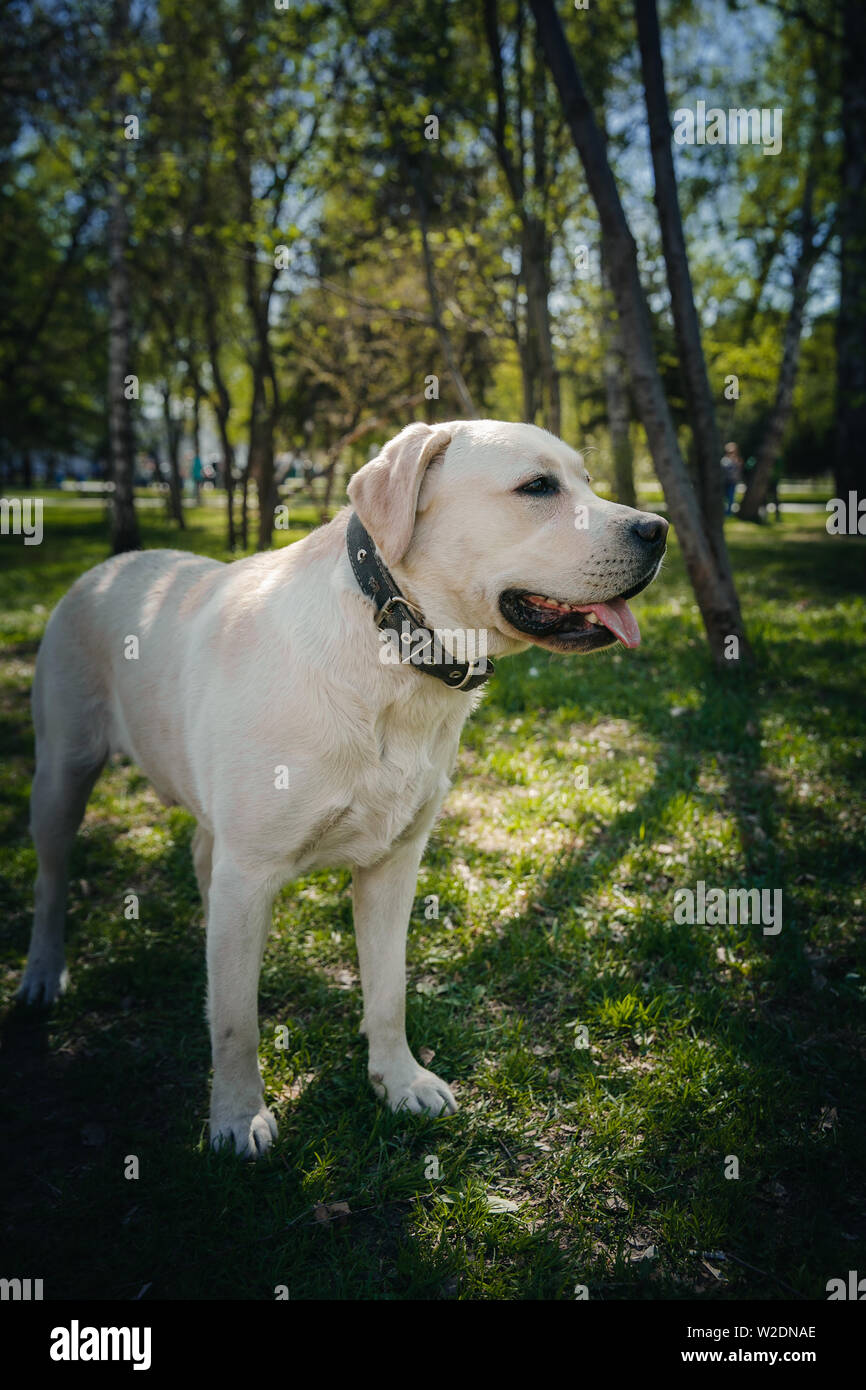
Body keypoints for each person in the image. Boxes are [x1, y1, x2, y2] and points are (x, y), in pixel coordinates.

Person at [720, 442, 743, 515]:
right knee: (723, 497)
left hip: (733, 481)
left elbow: (739, 470)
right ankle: (723, 511)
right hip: (725, 481)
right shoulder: (724, 460)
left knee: (731, 498)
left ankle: (728, 513)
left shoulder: (737, 460)